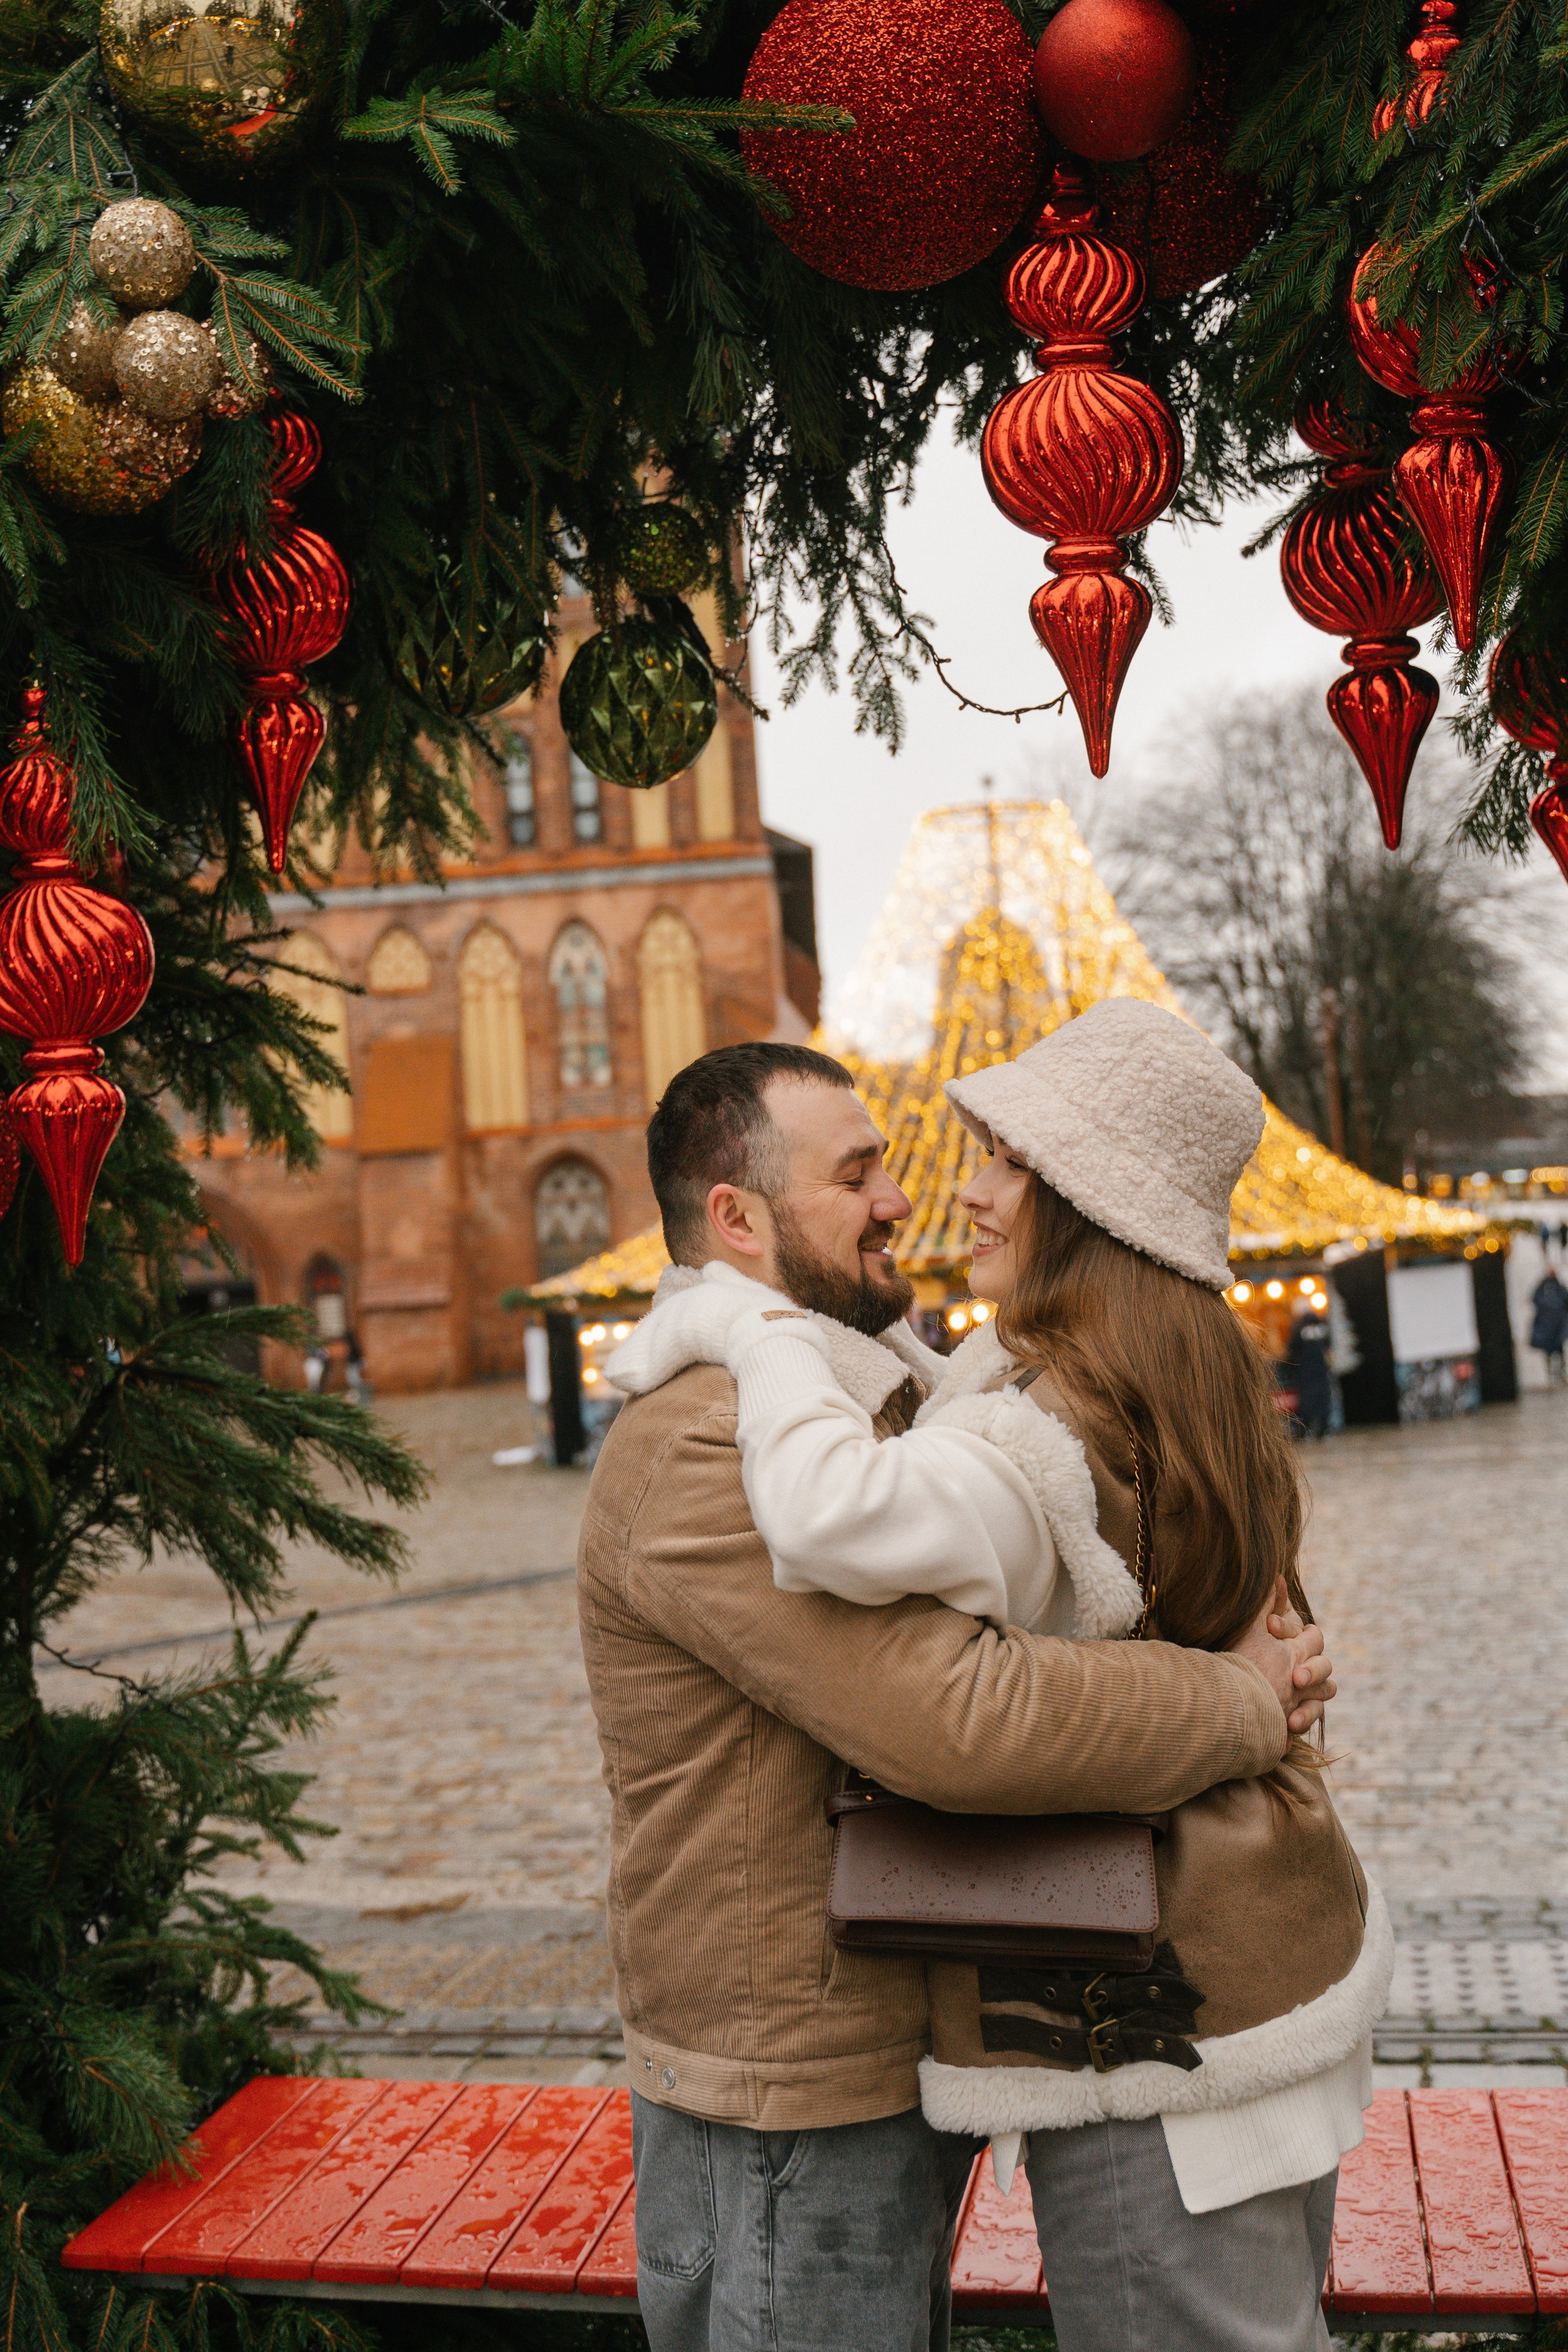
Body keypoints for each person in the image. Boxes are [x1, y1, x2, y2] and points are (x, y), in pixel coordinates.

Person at [631, 1005, 1384, 2352]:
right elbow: (948, 1423)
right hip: (1256, 1969)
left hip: (1147, 2022)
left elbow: (937, 1677)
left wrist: (754, 1334)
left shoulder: (1037, 1425)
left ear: (1081, 1203)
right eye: (858, 1172)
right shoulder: (1185, 1358)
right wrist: (1242, 1696)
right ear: (741, 1220)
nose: (930, 1190)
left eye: (1000, 1161)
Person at [1285, 1295, 1335, 1438]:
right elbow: (1328, 1346)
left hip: (1305, 1371)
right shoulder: (1322, 1324)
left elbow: (1291, 1349)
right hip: (1321, 1369)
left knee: (1307, 1399)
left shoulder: (1299, 1327)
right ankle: (1323, 1426)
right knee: (1323, 1396)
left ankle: (1305, 1428)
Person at [1530, 1264, 1568, 1384]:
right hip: (1546, 1325)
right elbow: (1535, 1299)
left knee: (1559, 1349)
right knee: (1548, 1351)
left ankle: (1561, 1373)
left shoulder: (1559, 1287)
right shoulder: (1543, 1288)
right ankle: (1551, 1374)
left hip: (1557, 1324)